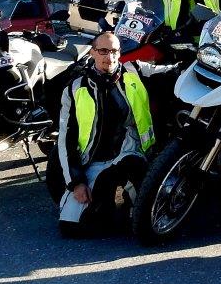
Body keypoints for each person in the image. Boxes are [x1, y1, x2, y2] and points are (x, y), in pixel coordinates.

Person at [55, 30, 176, 237]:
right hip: (93, 161)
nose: (108, 57)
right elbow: (65, 138)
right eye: (103, 51)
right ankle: (110, 204)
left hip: (131, 153)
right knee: (71, 227)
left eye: (114, 51)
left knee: (145, 214)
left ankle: (133, 200)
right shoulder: (75, 88)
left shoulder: (135, 71)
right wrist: (76, 183)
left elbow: (171, 71)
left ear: (119, 53)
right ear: (92, 52)